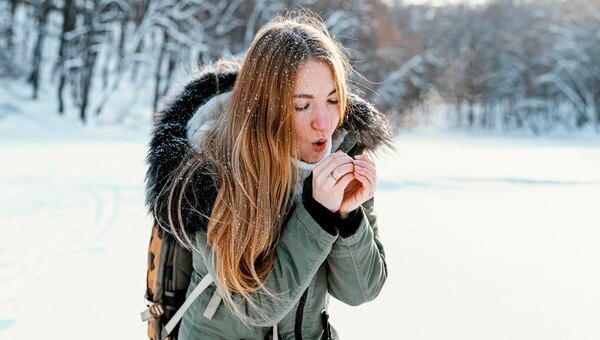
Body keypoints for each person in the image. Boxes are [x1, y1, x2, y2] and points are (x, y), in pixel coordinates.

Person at [146, 12, 393, 340]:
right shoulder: (212, 169)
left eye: (333, 100)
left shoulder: (342, 153)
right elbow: (254, 305)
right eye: (302, 106)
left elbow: (362, 289)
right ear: (264, 107)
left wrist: (349, 217)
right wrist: (317, 214)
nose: (324, 122)